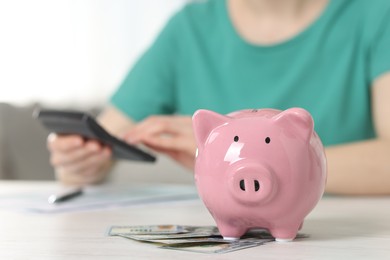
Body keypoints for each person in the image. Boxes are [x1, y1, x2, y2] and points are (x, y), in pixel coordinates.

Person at [47, 0, 390, 195]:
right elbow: (102, 139)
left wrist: (237, 155)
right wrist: (80, 162)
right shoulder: (190, 27)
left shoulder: (376, 14)